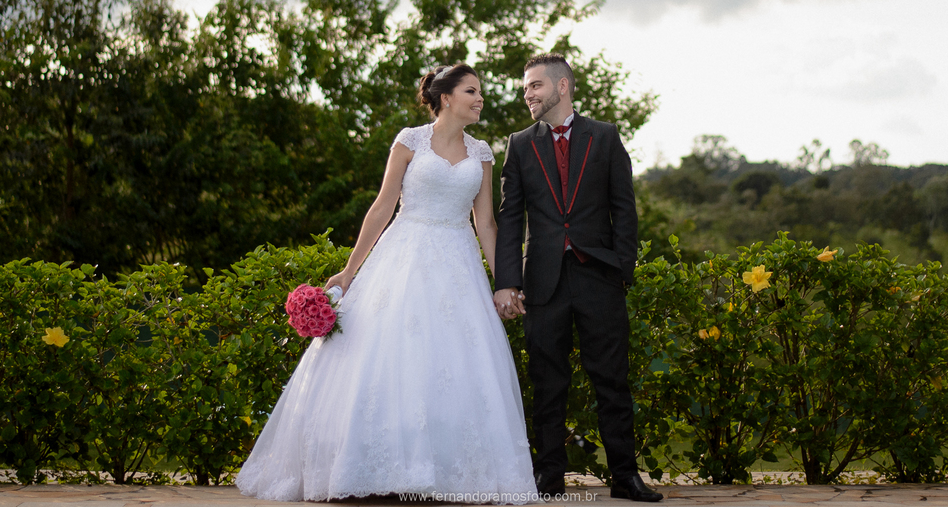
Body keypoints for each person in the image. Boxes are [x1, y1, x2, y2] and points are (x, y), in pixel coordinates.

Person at [237, 64, 537, 504]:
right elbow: (381, 208)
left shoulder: (483, 153)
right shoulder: (409, 141)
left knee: (455, 364)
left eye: (481, 93)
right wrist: (348, 271)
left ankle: (448, 472)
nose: (480, 99)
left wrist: (503, 283)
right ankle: (376, 468)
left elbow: (486, 223)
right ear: (446, 97)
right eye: (472, 91)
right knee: (389, 358)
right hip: (404, 254)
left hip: (458, 264)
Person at [493, 53, 662, 502]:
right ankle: (549, 479)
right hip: (543, 281)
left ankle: (625, 476)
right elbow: (511, 219)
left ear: (562, 87)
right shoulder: (520, 144)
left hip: (599, 278)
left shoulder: (604, 137)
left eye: (534, 86)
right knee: (548, 382)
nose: (527, 94)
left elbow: (623, 207)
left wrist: (621, 269)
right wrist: (506, 281)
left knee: (611, 379)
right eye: (526, 87)